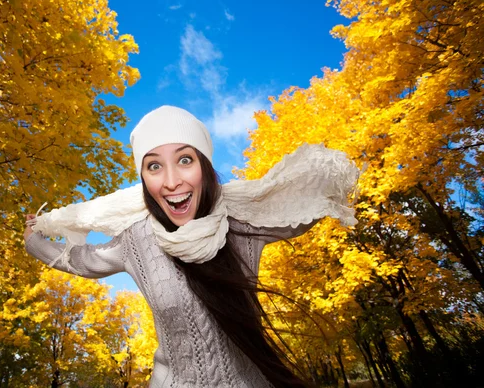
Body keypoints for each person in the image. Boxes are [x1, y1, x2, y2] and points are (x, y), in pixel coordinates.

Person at [24, 105, 360, 387]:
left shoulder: (244, 222)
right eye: (154, 165)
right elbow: (83, 262)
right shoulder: (137, 239)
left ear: (205, 167)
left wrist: (337, 171)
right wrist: (34, 240)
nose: (171, 181)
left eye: (185, 160)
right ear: (143, 180)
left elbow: (307, 204)